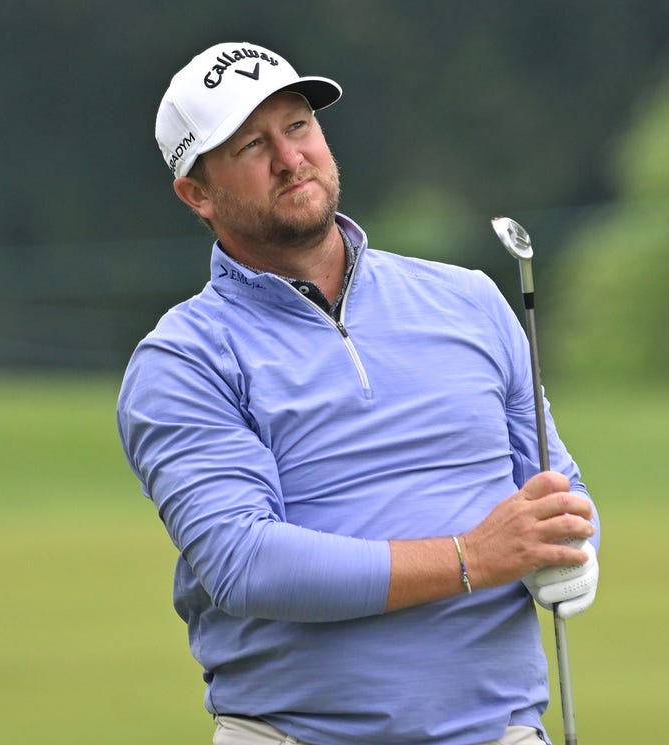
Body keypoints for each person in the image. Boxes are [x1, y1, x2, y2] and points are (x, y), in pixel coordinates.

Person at [116, 41, 601, 745]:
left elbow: (554, 483)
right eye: (252, 145)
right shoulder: (184, 359)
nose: (290, 158)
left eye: (298, 125)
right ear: (196, 192)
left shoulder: (467, 299)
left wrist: (573, 550)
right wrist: (471, 557)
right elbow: (246, 562)